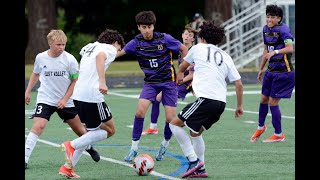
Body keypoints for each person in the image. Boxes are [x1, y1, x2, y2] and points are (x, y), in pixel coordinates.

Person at [169, 20, 244, 178]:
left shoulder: (197, 48)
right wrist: (239, 106)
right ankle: (200, 169)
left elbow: (182, 66)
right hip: (221, 104)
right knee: (195, 132)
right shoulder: (225, 56)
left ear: (201, 37)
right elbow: (238, 84)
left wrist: (180, 77)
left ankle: (193, 161)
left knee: (174, 125)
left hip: (206, 100)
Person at [116, 10, 189, 163]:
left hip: (169, 83)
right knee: (139, 112)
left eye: (149, 27)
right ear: (139, 28)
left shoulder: (164, 39)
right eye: (144, 27)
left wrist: (182, 70)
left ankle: (164, 144)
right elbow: (118, 53)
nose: (147, 30)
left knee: (170, 118)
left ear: (153, 26)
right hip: (150, 83)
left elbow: (183, 49)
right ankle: (133, 148)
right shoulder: (136, 42)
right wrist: (101, 55)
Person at [24, 29, 100, 171]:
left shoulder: (70, 59)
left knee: (80, 131)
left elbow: (74, 81)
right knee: (38, 126)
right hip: (45, 98)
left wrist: (65, 99)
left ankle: (89, 147)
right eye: (58, 44)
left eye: (64, 44)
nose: (61, 47)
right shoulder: (41, 57)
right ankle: (25, 158)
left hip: (67, 100)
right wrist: (27, 92)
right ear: (50, 44)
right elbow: (35, 74)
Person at [58, 28, 125, 178]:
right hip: (92, 95)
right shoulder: (108, 48)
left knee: (89, 133)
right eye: (119, 48)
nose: (117, 51)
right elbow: (100, 57)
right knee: (110, 129)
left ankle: (68, 168)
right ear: (115, 43)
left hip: (78, 94)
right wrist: (102, 81)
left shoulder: (90, 46)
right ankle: (71, 145)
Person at [142, 24, 198, 137]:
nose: (187, 36)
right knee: (158, 98)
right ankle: (156, 127)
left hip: (189, 82)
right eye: (185, 34)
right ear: (182, 35)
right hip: (182, 80)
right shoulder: (180, 51)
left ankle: (173, 124)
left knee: (160, 98)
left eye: (190, 35)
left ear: (193, 39)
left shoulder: (194, 52)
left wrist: (180, 81)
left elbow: (192, 74)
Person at [250, 4, 295, 143]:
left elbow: (290, 48)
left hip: (284, 73)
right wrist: (261, 68)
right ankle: (260, 127)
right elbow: (266, 50)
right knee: (263, 99)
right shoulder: (265, 29)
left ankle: (278, 134)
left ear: (279, 18)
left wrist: (275, 52)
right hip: (270, 72)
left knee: (272, 102)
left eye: (272, 17)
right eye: (268, 16)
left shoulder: (284, 29)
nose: (269, 19)